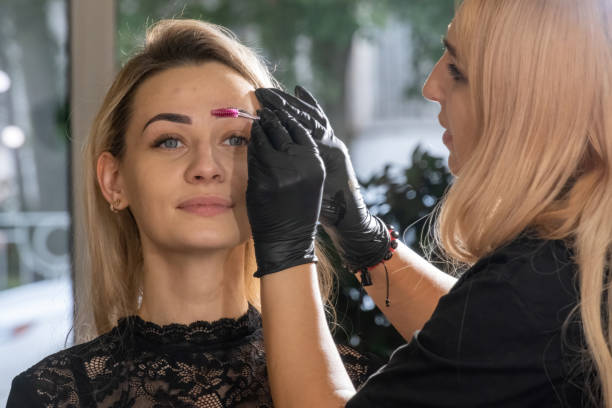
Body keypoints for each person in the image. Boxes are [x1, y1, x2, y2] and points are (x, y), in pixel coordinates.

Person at [245, 0, 612, 406]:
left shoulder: (537, 288)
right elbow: (486, 349)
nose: (431, 86)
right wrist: (363, 238)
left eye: (457, 70)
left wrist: (286, 250)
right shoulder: (572, 265)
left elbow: (506, 327)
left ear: (533, 108)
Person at [6, 19, 378, 407]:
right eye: (170, 141)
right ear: (114, 180)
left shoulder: (365, 387)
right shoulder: (49, 395)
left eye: (236, 139)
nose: (206, 166)